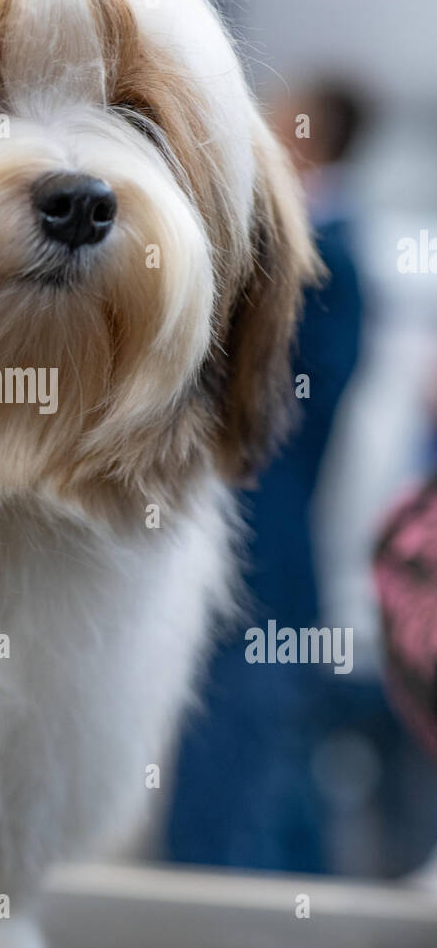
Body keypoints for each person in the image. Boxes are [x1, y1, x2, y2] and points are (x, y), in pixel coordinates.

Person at [165, 83, 367, 871]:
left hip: (265, 567)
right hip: (267, 569)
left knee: (238, 801)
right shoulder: (330, 248)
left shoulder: (326, 257)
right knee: (266, 786)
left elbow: (275, 412)